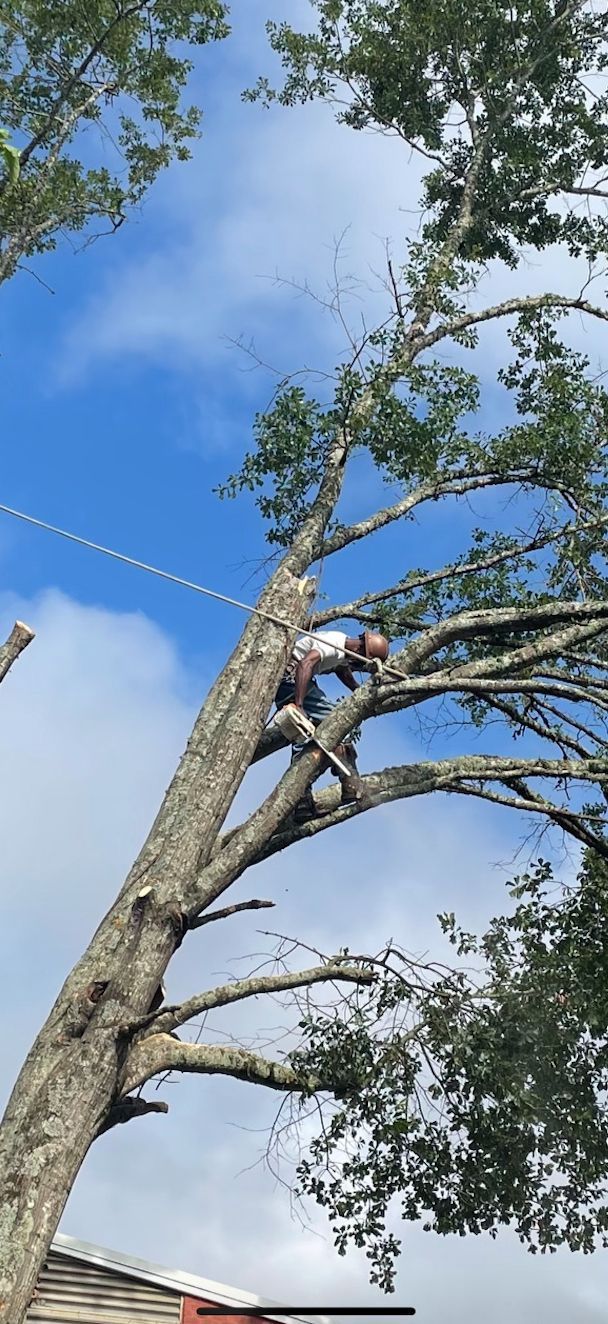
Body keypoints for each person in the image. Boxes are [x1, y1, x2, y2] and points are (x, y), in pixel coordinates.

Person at [275, 629, 390, 821]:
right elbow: (306, 664)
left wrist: (359, 691)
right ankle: (350, 783)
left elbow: (341, 669)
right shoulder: (333, 644)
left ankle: (301, 803)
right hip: (290, 680)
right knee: (335, 719)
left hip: (287, 683)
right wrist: (300, 704)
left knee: (303, 740)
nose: (358, 665)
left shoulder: (344, 651)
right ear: (361, 652)